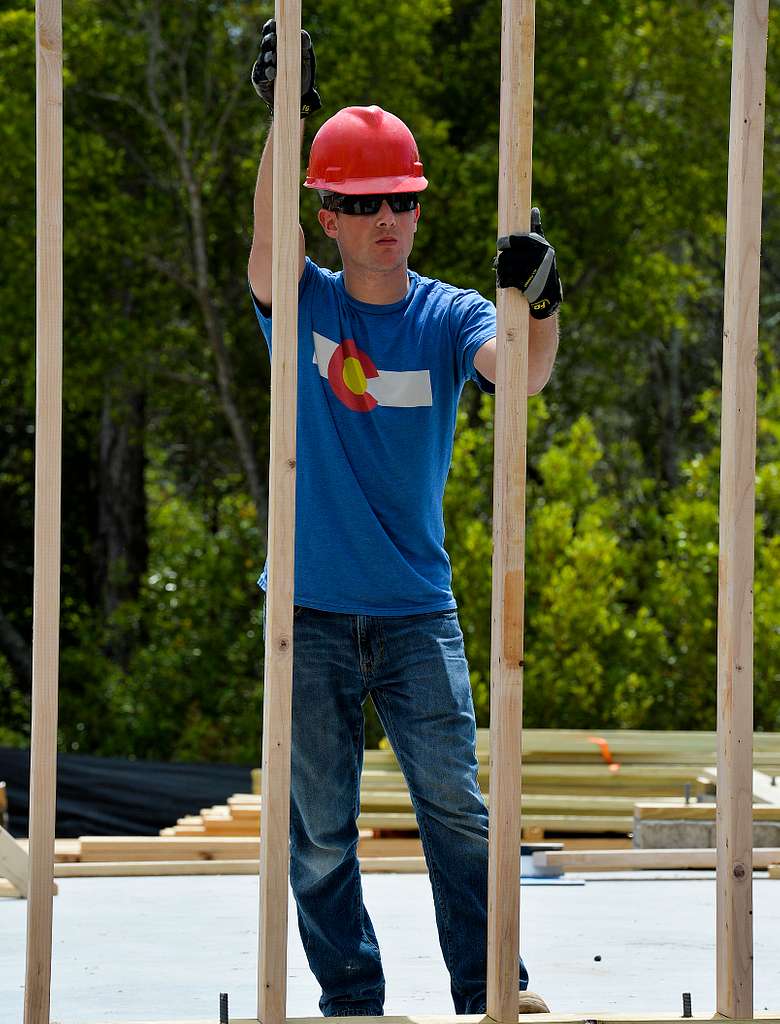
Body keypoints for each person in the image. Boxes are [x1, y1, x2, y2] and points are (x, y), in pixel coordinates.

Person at [248, 22, 561, 1019]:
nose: (389, 217)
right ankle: (353, 998)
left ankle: (486, 985)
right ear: (329, 215)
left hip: (417, 611)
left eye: (404, 200)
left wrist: (542, 303)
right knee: (320, 829)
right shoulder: (304, 305)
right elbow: (264, 252)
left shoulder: (452, 316)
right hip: (308, 611)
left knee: (460, 812)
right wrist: (284, 114)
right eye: (365, 202)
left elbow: (522, 376)